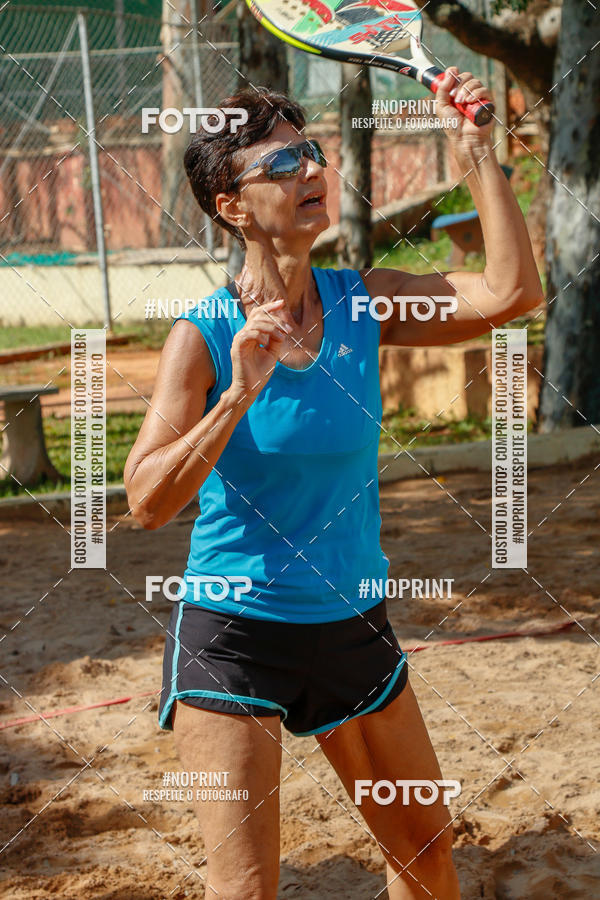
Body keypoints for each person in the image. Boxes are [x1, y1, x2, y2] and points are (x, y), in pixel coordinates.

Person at [124, 70, 543, 899]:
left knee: (426, 853)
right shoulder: (202, 336)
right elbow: (146, 501)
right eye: (282, 167)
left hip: (352, 626)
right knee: (246, 888)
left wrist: (474, 153)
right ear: (231, 206)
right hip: (233, 638)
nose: (311, 172)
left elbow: (510, 293)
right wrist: (238, 394)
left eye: (311, 154)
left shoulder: (364, 302)